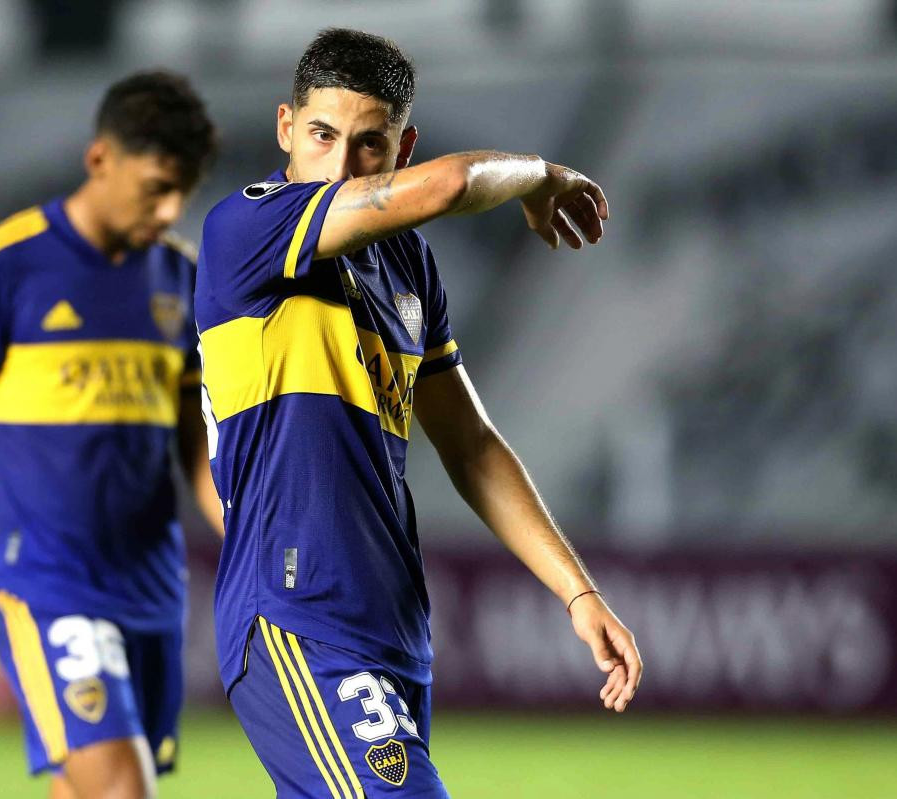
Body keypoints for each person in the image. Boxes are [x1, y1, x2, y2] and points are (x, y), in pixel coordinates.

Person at [195, 28, 643, 798]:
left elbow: (469, 442)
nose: (339, 166)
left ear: (404, 147)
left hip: (392, 628)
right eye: (321, 136)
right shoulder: (248, 227)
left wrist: (578, 590)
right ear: (284, 129)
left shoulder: (406, 266)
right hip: (296, 615)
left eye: (369, 145)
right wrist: (540, 176)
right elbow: (449, 187)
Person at [0, 71, 222, 799]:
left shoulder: (182, 278)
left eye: (182, 190)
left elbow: (196, 447)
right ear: (100, 159)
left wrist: (243, 532)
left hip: (152, 588)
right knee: (123, 789)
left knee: (86, 786)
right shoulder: (3, 266)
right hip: (49, 581)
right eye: (156, 186)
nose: (170, 209)